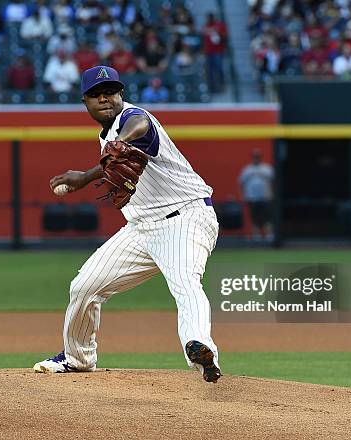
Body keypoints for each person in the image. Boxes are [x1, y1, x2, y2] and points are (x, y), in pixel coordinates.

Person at [34, 66, 222, 383]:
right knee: (85, 287)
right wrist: (109, 154)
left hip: (186, 217)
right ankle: (77, 358)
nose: (104, 98)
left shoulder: (132, 119)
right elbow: (114, 155)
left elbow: (140, 124)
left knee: (185, 283)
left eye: (111, 91)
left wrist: (86, 175)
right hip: (141, 228)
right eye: (96, 94)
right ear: (85, 102)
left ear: (122, 94)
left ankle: (202, 350)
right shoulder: (106, 137)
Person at [238, 148, 274, 241]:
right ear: (252, 158)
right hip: (252, 198)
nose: (256, 158)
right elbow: (241, 183)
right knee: (254, 218)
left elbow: (274, 182)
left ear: (260, 158)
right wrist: (243, 195)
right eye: (255, 157)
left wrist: (273, 194)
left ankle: (269, 235)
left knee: (267, 217)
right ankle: (256, 236)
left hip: (265, 197)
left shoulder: (267, 169)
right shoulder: (247, 170)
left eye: (258, 157)